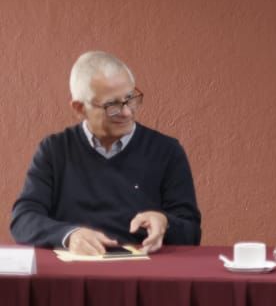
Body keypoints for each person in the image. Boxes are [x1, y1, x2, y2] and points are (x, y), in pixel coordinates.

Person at [10, 51, 200, 255]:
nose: (126, 112)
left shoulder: (166, 150)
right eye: (112, 105)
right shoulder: (54, 150)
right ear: (79, 108)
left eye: (130, 99)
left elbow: (191, 232)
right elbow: (23, 219)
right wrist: (69, 235)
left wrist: (165, 222)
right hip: (76, 265)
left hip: (144, 266)